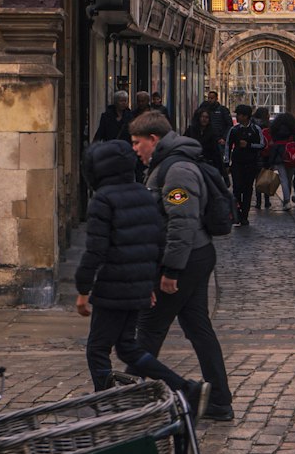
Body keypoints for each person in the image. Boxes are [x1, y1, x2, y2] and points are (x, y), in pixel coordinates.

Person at [75, 140, 208, 415]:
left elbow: (95, 250)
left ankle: (107, 404)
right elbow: (156, 243)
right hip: (137, 286)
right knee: (127, 348)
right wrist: (149, 284)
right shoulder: (143, 193)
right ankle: (185, 387)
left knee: (97, 348)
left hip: (113, 287)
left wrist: (83, 288)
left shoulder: (102, 199)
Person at [130, 111, 234, 421]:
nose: (135, 149)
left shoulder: (177, 171)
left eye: (137, 143)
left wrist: (171, 271)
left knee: (148, 329)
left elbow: (182, 223)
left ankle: (129, 401)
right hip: (194, 256)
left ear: (154, 139)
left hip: (186, 260)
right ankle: (218, 399)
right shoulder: (167, 166)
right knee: (198, 329)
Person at [226, 103, 263, 225]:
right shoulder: (234, 130)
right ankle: (238, 211)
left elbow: (262, 145)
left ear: (246, 116)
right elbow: (228, 146)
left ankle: (245, 215)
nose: (237, 117)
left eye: (240, 115)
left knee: (247, 189)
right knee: (237, 189)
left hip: (250, 163)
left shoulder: (255, 129)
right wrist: (227, 162)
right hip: (237, 163)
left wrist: (249, 145)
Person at [263, 111, 295, 211]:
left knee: (283, 179)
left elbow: (272, 146)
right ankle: (287, 199)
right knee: (289, 178)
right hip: (292, 156)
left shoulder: (276, 131)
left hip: (279, 157)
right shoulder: (293, 131)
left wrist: (271, 161)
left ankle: (286, 201)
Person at [186, 108, 229, 178]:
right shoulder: (191, 131)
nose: (204, 119)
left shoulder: (212, 133)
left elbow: (216, 153)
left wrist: (224, 174)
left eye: (206, 117)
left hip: (207, 165)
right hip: (193, 165)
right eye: (202, 117)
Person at [253, 106, 274, 210]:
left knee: (257, 179)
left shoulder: (253, 125)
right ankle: (267, 201)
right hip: (267, 156)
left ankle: (258, 202)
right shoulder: (269, 126)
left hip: (256, 155)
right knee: (266, 179)